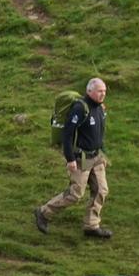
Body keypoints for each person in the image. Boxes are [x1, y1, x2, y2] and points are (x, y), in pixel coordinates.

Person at [36, 77, 111, 239]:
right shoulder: (80, 108)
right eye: (99, 91)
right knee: (75, 194)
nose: (103, 94)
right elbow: (67, 133)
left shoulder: (99, 108)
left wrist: (103, 153)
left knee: (101, 190)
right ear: (89, 91)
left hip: (97, 157)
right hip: (81, 158)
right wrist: (70, 159)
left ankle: (91, 225)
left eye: (104, 91)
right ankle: (43, 212)